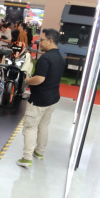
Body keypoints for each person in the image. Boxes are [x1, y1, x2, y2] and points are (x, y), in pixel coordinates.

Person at [16, 28, 65, 168]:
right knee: (43, 125)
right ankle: (39, 152)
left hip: (39, 100)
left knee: (30, 127)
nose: (39, 43)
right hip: (53, 98)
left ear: (50, 41)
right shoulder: (60, 57)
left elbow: (39, 79)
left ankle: (27, 158)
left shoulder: (45, 58)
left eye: (42, 40)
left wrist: (28, 80)